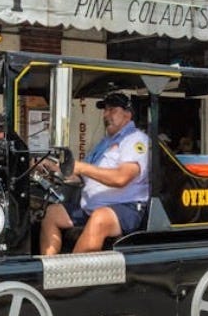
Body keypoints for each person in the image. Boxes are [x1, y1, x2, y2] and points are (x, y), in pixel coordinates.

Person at [39, 91, 149, 255]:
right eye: (105, 110)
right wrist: (53, 168)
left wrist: (82, 168)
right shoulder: (105, 142)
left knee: (100, 218)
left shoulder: (135, 140)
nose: (105, 115)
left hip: (127, 208)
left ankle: (72, 270)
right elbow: (81, 176)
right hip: (92, 206)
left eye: (112, 110)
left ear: (128, 114)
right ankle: (49, 265)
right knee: (51, 213)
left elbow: (121, 178)